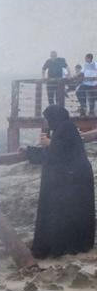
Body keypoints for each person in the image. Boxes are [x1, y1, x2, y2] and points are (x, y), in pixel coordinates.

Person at [25, 105, 95, 258]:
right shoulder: (64, 128)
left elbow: (59, 151)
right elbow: (53, 153)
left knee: (68, 213)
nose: (48, 122)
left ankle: (67, 246)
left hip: (74, 179)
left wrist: (48, 143)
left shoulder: (66, 128)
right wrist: (28, 151)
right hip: (73, 178)